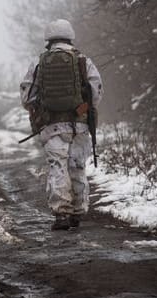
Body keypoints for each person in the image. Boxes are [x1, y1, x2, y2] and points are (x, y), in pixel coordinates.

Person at [20, 19, 103, 230]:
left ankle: (61, 214)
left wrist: (42, 110)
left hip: (51, 126)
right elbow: (96, 91)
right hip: (80, 124)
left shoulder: (39, 62)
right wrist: (82, 110)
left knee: (58, 167)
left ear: (48, 39)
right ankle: (78, 211)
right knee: (77, 166)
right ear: (70, 36)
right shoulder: (83, 60)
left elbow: (27, 96)